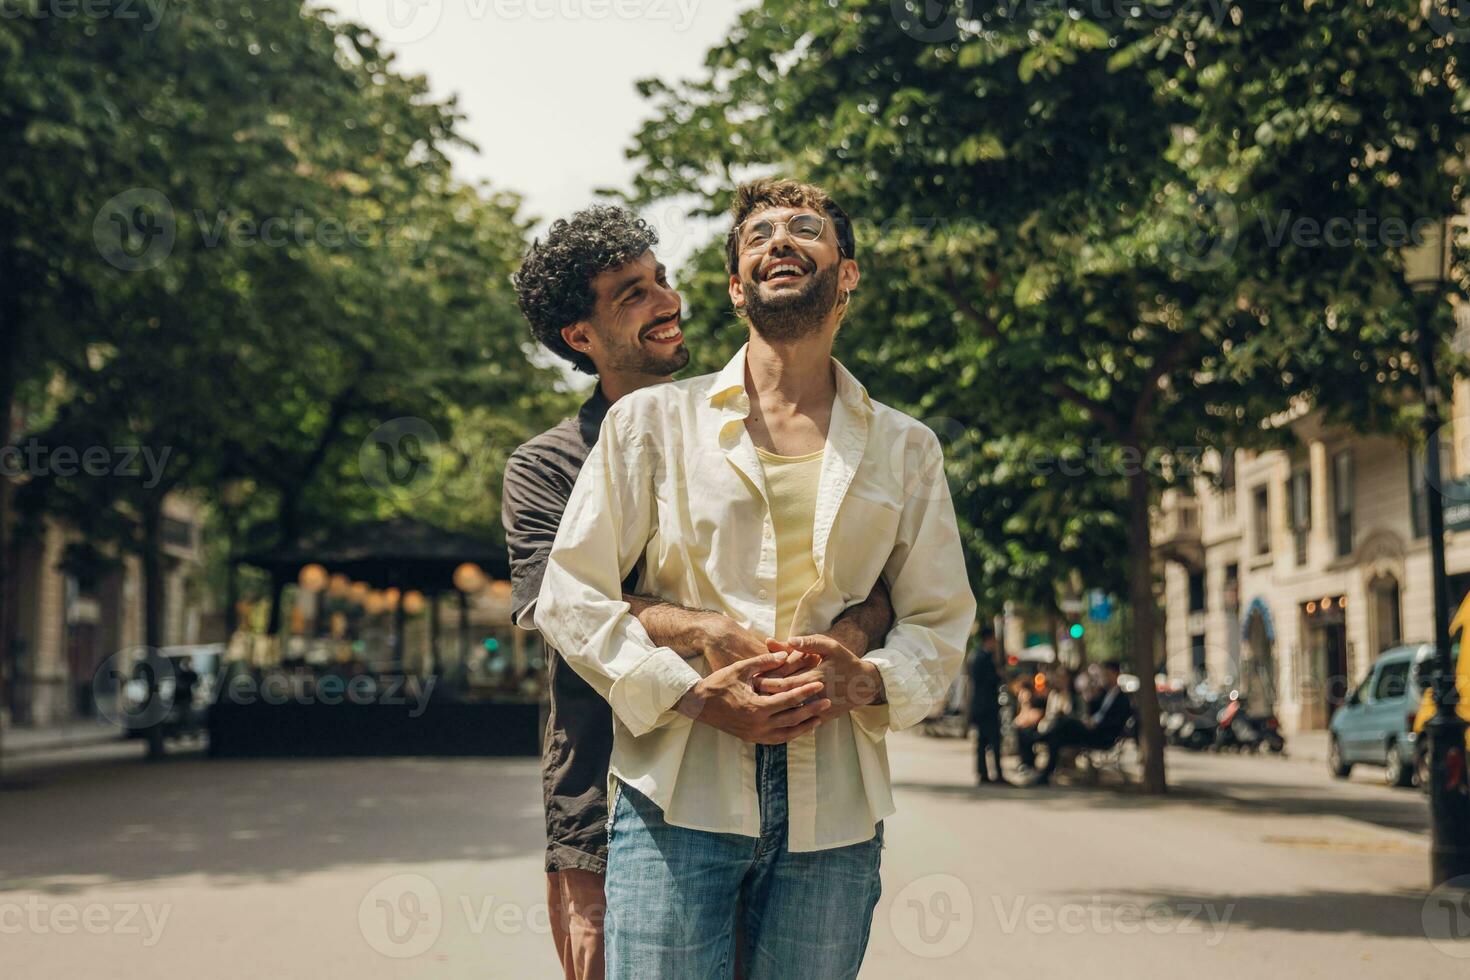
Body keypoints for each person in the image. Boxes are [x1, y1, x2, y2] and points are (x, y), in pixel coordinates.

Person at [535, 178, 976, 979]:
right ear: (737, 287)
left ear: (846, 274)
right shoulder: (652, 425)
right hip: (677, 794)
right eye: (757, 235)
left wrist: (865, 681)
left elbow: (939, 618)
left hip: (835, 810)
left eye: (806, 228)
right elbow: (571, 594)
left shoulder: (907, 449)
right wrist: (691, 693)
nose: (781, 239)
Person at [1023, 660, 1133, 787]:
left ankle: (1038, 739)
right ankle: (1044, 772)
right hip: (1091, 728)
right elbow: (1094, 710)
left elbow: (1114, 722)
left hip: (1102, 734)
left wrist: (1092, 723)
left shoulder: (1122, 699)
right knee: (1058, 736)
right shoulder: (1104, 693)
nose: (1105, 677)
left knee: (1065, 721)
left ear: (1115, 674)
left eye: (1107, 673)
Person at [968, 628, 1005, 784]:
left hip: (981, 706)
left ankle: (983, 772)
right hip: (987, 707)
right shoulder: (983, 658)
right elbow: (989, 680)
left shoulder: (977, 656)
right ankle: (993, 773)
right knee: (992, 741)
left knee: (983, 741)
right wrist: (998, 674)